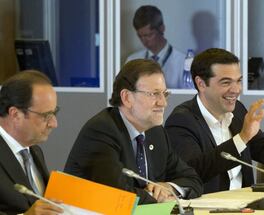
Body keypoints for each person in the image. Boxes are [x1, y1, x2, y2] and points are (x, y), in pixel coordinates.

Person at [164, 48, 264, 194]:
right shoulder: (182, 121)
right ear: (201, 83)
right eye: (226, 82)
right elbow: (193, 173)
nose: (236, 90)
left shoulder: (238, 111)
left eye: (238, 81)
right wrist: (242, 138)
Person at [64, 59, 202, 204]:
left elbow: (192, 179)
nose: (163, 103)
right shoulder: (102, 130)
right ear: (127, 97)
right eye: (154, 94)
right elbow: (118, 194)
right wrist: (157, 197)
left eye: (164, 94)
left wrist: (168, 187)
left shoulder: (156, 133)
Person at [0, 71, 63, 214]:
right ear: (15, 114)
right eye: (46, 115)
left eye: (54, 112)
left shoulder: (34, 150)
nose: (54, 123)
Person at [125, 5, 186, 89]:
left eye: (149, 35)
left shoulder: (183, 62)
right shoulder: (131, 61)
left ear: (162, 29)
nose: (144, 40)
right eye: (140, 36)